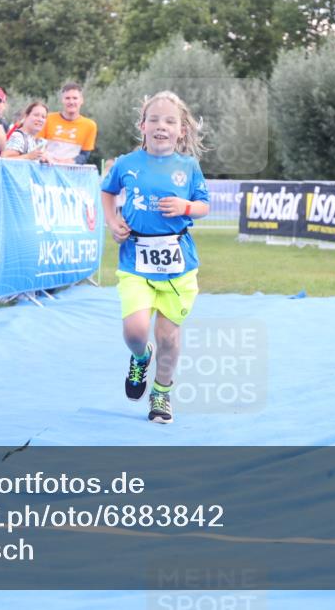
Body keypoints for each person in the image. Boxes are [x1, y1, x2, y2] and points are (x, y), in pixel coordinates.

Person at [100, 91, 210, 424]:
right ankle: (140, 357)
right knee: (135, 331)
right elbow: (106, 192)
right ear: (142, 125)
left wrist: (186, 207)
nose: (161, 126)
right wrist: (112, 222)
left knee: (168, 336)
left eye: (170, 121)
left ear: (181, 131)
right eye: (154, 119)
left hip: (178, 265)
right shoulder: (126, 163)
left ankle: (161, 392)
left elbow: (204, 205)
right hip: (135, 259)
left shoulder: (188, 167)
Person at [38, 82, 96, 164]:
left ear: (81, 100)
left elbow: (84, 155)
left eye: (75, 98)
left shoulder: (90, 125)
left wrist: (70, 161)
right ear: (62, 100)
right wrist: (44, 155)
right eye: (67, 98)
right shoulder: (47, 119)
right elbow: (37, 146)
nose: (71, 102)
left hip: (70, 172)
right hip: (46, 168)